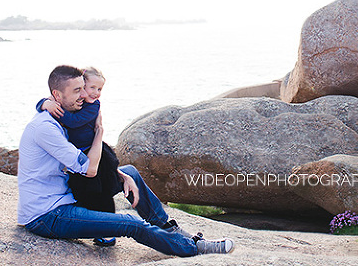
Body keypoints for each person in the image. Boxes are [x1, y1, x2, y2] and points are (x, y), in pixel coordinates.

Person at [17, 65, 234, 256]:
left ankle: (169, 229)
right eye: (76, 91)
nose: (83, 95)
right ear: (56, 94)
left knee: (130, 172)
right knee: (130, 224)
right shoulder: (45, 128)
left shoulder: (60, 117)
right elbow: (89, 170)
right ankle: (193, 247)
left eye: (83, 88)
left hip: (66, 197)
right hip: (48, 215)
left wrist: (119, 175)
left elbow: (84, 162)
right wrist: (100, 131)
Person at [36, 67, 121, 246]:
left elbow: (73, 123)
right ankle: (89, 225)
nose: (96, 93)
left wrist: (56, 109)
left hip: (93, 153)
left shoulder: (93, 106)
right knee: (82, 192)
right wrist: (45, 104)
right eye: (92, 88)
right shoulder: (76, 102)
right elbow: (42, 103)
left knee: (102, 193)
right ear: (81, 87)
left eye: (100, 89)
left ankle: (108, 232)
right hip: (77, 156)